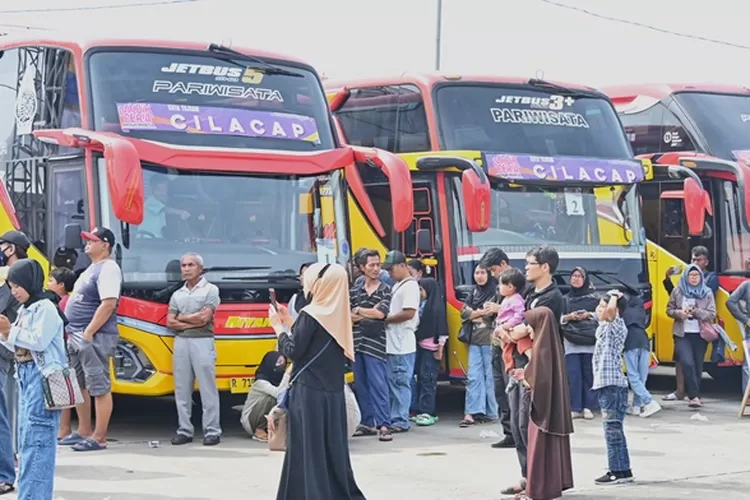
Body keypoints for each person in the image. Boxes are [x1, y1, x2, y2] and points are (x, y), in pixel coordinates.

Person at [270, 262, 365, 500]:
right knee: (332, 450)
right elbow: (315, 340)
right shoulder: (338, 315)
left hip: (309, 393)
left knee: (307, 450)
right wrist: (290, 322)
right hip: (332, 393)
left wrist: (278, 328)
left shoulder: (312, 313)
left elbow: (294, 350)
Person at [0, 259, 68, 499]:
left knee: (37, 443)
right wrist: (6, 333)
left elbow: (39, 340)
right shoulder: (27, 308)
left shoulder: (45, 307)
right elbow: (16, 343)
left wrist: (10, 331)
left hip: (43, 378)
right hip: (27, 377)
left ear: (30, 281)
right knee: (27, 442)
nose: (14, 291)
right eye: (11, 286)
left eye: (17, 285)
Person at [500, 245, 564, 497]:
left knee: (531, 426)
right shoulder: (529, 294)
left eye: (530, 263)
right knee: (517, 426)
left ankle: (538, 482)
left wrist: (507, 331)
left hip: (536, 368)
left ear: (545, 267)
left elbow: (521, 331)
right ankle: (527, 476)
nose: (526, 267)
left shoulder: (552, 298)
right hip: (517, 366)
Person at [64, 227, 122, 452]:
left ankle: (99, 437)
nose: (86, 243)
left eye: (92, 240)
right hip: (77, 334)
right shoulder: (92, 268)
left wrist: (89, 332)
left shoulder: (108, 268)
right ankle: (84, 430)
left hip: (94, 336)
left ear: (105, 245)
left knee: (98, 386)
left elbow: (108, 304)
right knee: (79, 385)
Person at [167, 253, 222, 446]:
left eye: (191, 265)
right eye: (183, 265)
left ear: (200, 268)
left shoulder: (211, 290)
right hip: (181, 343)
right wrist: (192, 320)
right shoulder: (177, 294)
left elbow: (204, 319)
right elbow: (170, 322)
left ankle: (212, 431)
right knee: (181, 389)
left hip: (203, 341)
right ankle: (184, 430)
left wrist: (182, 318)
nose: (186, 269)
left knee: (208, 389)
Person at [522, 307, 574, 500]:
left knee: (540, 449)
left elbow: (537, 379)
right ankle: (551, 486)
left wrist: (524, 376)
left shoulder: (542, 348)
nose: (528, 329)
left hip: (542, 410)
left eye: (531, 324)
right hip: (552, 408)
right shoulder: (551, 345)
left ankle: (537, 490)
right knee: (551, 449)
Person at [662, 246, 718, 402]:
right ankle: (688, 394)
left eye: (696, 274)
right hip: (682, 332)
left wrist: (696, 312)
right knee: (685, 362)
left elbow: (711, 313)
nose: (694, 277)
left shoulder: (707, 289)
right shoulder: (679, 290)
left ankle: (694, 396)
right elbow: (670, 308)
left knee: (697, 366)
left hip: (700, 333)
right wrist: (679, 313)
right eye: (692, 260)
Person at [592, 290, 634, 485]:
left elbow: (610, 311)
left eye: (603, 306)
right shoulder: (603, 325)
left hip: (613, 385)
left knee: (612, 429)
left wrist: (614, 295)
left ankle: (616, 471)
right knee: (613, 429)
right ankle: (623, 470)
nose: (599, 310)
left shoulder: (615, 324)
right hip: (606, 384)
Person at [350, 249, 392, 442]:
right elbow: (348, 316)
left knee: (379, 384)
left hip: (376, 343)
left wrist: (359, 311)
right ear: (362, 268)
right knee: (361, 385)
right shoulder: (354, 289)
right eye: (372, 265)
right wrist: (367, 312)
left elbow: (381, 314)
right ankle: (367, 422)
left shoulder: (385, 289)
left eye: (378, 264)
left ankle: (384, 424)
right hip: (357, 342)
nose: (376, 268)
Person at [0, 230, 30, 489]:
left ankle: (6, 471)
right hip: (9, 349)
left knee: (6, 411)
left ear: (12, 248)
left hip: (6, 350)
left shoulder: (16, 276)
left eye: (3, 245)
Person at [480, 247, 515, 448]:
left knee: (512, 392)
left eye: (494, 270)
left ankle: (519, 433)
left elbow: (522, 310)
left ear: (503, 264)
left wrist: (499, 308)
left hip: (510, 345)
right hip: (495, 343)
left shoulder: (518, 283)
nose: (493, 275)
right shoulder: (497, 287)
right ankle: (508, 432)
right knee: (499, 391)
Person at [382, 250, 420, 433]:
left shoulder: (410, 286)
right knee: (394, 382)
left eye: (391, 268)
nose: (389, 272)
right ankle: (395, 416)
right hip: (394, 343)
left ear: (403, 266)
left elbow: (409, 312)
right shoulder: (399, 285)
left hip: (402, 344)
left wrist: (386, 318)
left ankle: (400, 419)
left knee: (400, 382)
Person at [459, 264, 499, 427]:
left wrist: (474, 314)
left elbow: (494, 314)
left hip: (490, 340)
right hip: (474, 340)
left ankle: (492, 412)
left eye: (483, 273)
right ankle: (472, 412)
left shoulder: (496, 292)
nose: (479, 276)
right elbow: (464, 313)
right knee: (474, 377)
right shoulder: (473, 292)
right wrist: (482, 313)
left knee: (491, 377)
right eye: (477, 273)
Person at [560, 267, 599, 420]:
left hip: (589, 342)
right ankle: (575, 407)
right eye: (573, 276)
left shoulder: (595, 298)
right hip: (571, 342)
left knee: (589, 375)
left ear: (585, 279)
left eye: (579, 276)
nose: (576, 279)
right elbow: (558, 318)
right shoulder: (564, 299)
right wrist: (569, 317)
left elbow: (602, 316)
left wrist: (589, 314)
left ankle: (589, 406)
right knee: (573, 375)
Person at [410, 277, 447, 426]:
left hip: (431, 349)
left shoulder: (437, 307)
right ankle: (421, 410)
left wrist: (440, 350)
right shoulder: (423, 305)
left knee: (428, 380)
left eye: (421, 289)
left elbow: (443, 331)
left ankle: (428, 412)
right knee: (421, 378)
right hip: (421, 346)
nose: (419, 292)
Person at [47, 267, 78, 442]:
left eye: (51, 281)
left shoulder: (63, 302)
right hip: (62, 348)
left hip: (62, 350)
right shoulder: (59, 300)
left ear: (61, 285)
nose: (48, 284)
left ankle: (64, 428)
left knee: (62, 390)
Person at [623, 294, 661, 417]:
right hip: (644, 343)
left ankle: (649, 401)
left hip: (630, 343)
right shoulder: (641, 311)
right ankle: (636, 406)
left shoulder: (623, 312)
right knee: (641, 377)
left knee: (633, 377)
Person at [240, 351, 286, 442]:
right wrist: (287, 375)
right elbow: (279, 393)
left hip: (264, 416)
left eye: (284, 363)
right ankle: (258, 429)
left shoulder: (277, 379)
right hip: (250, 421)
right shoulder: (260, 382)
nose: (282, 365)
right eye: (279, 362)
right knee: (272, 399)